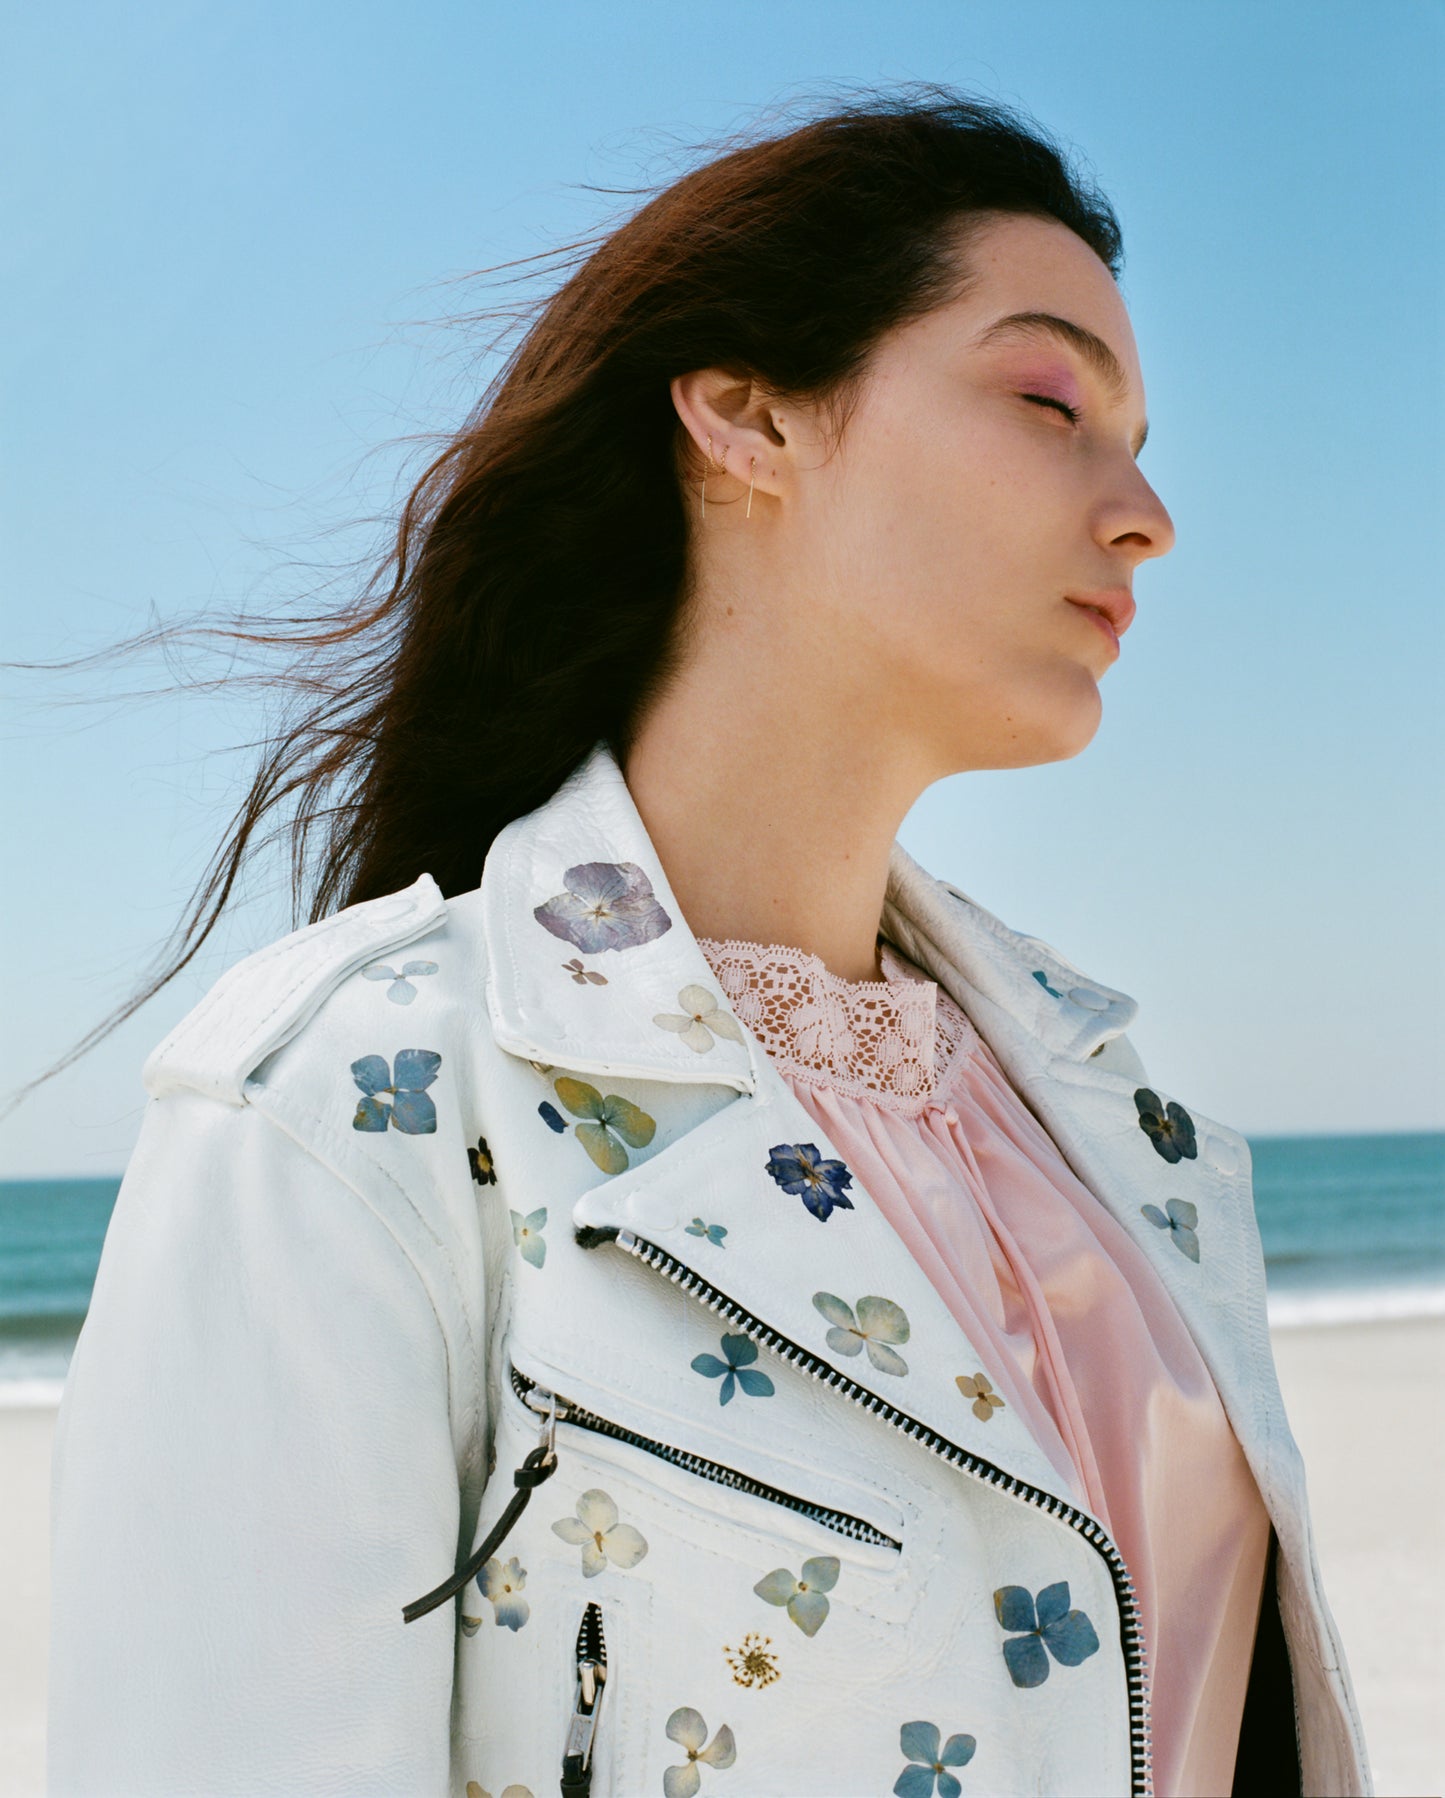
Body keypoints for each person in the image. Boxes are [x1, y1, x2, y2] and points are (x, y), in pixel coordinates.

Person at [45, 89, 1372, 1797]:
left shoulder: (1111, 1123)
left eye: (1136, 437)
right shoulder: (351, 1103)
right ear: (745, 415)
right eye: (1050, 400)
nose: (1144, 513)